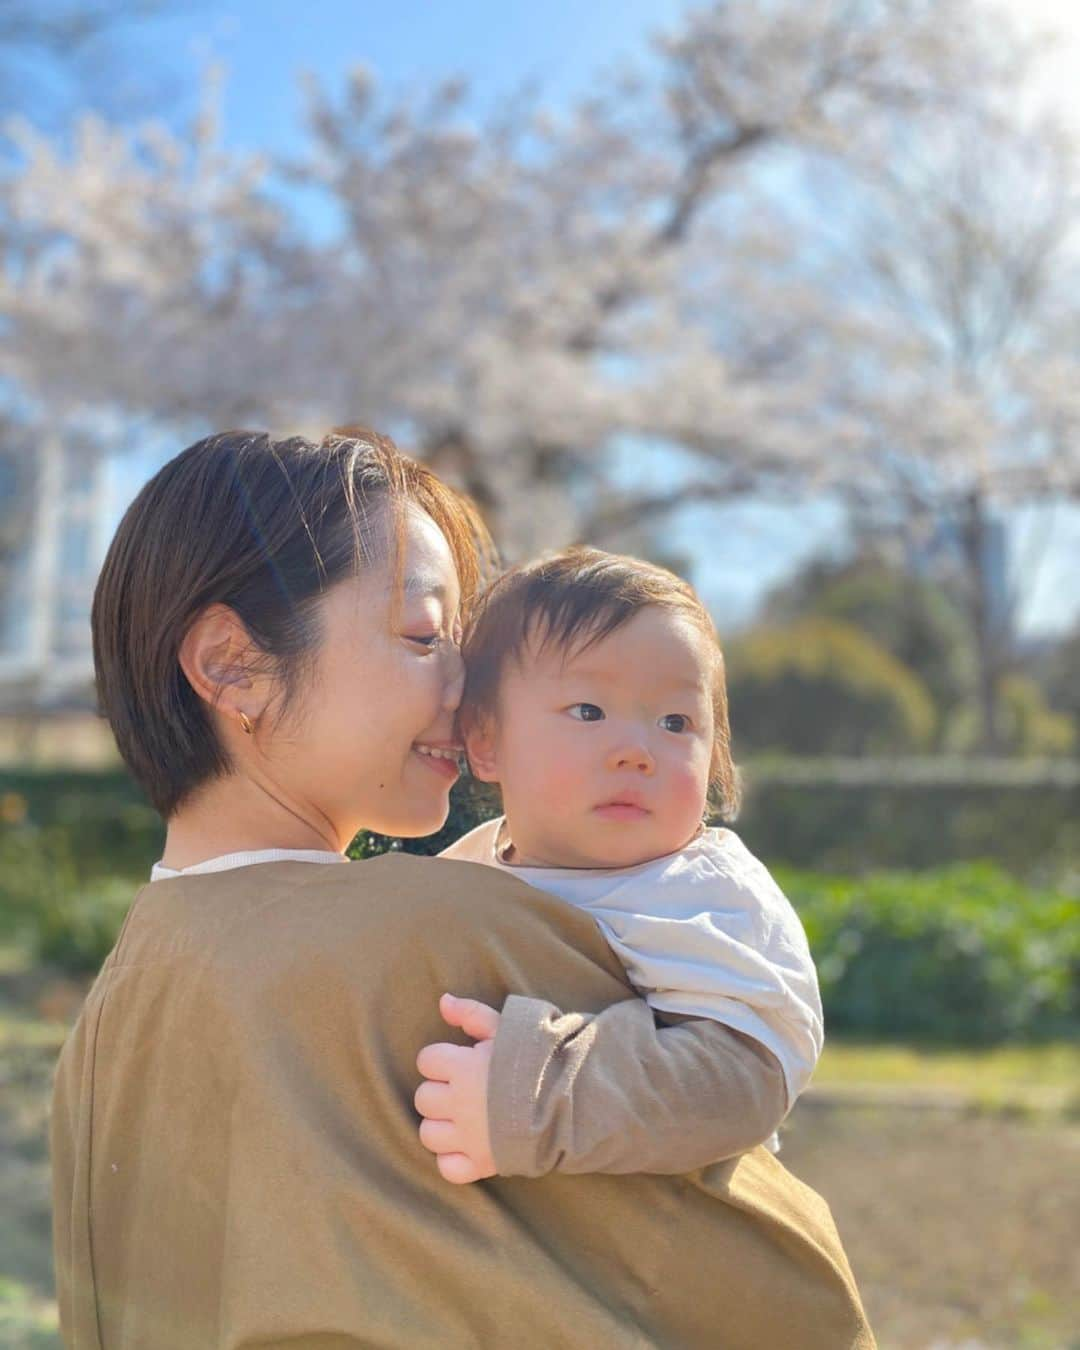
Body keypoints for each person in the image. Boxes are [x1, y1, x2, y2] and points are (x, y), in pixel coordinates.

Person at [51, 428, 875, 1348]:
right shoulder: (450, 935)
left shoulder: (113, 1010)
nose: (468, 685)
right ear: (231, 666)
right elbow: (776, 1288)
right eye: (422, 636)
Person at [415, 547, 820, 1184]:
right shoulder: (463, 872)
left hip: (673, 1251)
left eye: (675, 721)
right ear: (486, 739)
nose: (637, 751)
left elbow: (744, 1077)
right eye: (588, 712)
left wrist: (536, 1099)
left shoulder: (706, 895)